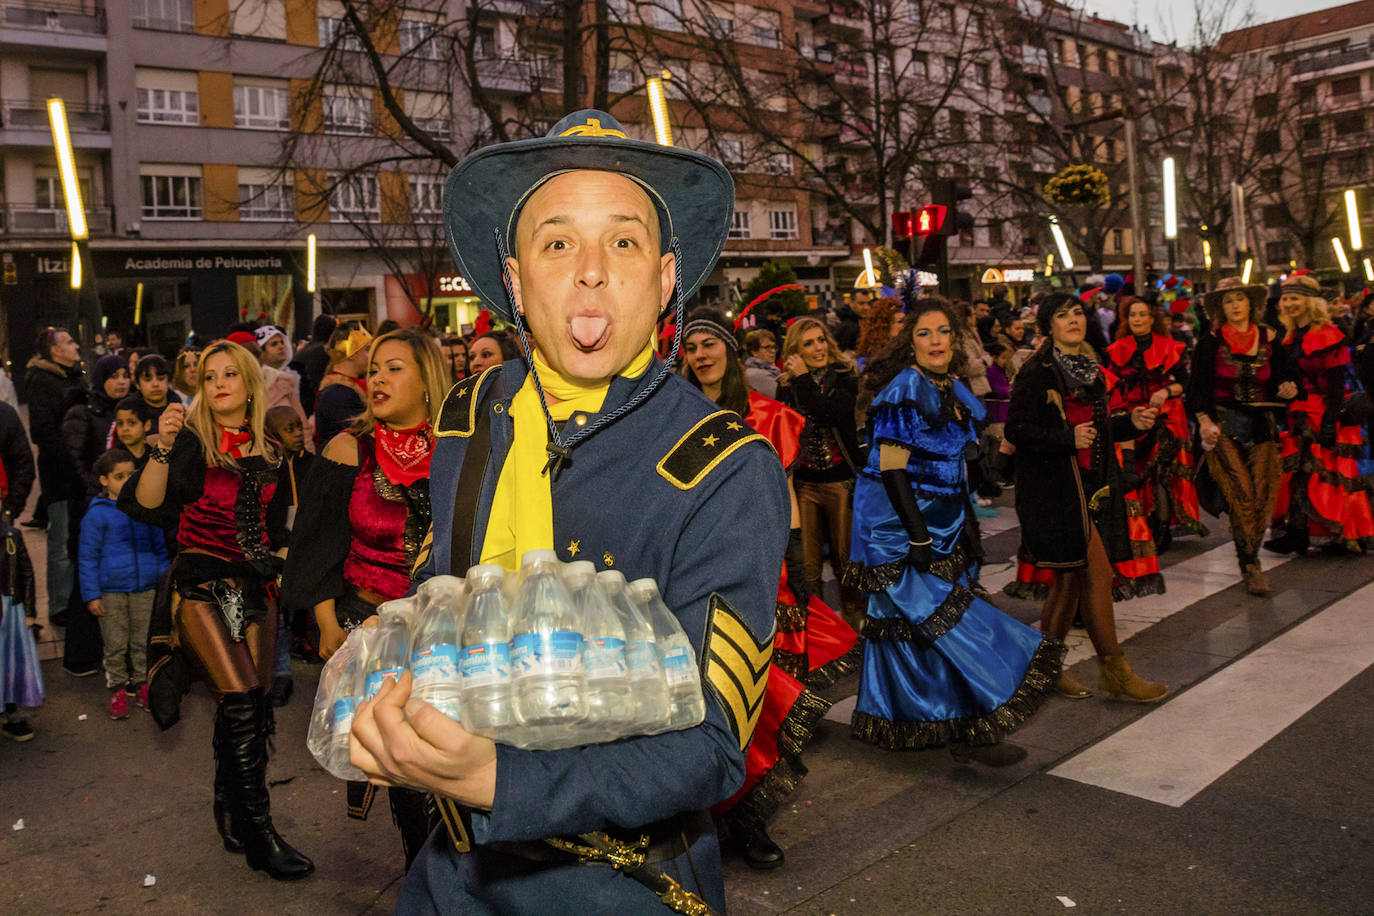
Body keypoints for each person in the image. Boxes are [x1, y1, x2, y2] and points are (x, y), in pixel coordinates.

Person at [349, 108, 788, 914]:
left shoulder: (727, 471)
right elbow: (438, 589)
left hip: (618, 885)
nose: (590, 271)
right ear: (515, 280)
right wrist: (389, 694)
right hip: (449, 877)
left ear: (663, 280)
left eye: (622, 241)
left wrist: (495, 777)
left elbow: (713, 750)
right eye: (558, 242)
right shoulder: (472, 415)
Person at [119, 339, 313, 880]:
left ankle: (230, 804)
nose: (219, 383)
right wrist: (160, 446)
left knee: (254, 701)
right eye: (209, 376)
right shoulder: (189, 441)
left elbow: (279, 525)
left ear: (250, 382)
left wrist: (282, 553)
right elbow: (147, 503)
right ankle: (261, 833)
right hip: (201, 583)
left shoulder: (271, 447)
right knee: (241, 697)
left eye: (230, 374)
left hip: (256, 589)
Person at [680, 308, 860, 869]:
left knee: (755, 690)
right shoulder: (673, 414)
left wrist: (795, 558)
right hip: (689, 569)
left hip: (755, 567)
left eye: (711, 343)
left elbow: (783, 489)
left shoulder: (767, 414)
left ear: (731, 352)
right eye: (692, 346)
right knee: (696, 696)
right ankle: (698, 815)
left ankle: (747, 815)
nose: (701, 354)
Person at [846, 296, 1056, 765]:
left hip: (946, 521)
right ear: (910, 342)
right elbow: (894, 470)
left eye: (943, 331)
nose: (935, 341)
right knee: (947, 623)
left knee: (930, 627)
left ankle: (956, 725)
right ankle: (971, 715)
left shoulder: (952, 387)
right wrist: (918, 536)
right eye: (924, 333)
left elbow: (960, 458)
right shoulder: (905, 388)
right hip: (899, 526)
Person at [282, 327, 447, 868]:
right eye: (373, 368)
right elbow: (315, 544)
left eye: (393, 368)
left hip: (446, 631)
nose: (376, 378)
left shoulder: (459, 445)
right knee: (405, 774)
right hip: (370, 627)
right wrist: (328, 622)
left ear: (428, 378)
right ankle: (422, 877)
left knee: (451, 769)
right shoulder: (349, 446)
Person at [1006, 293, 1168, 703]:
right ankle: (1115, 670)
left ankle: (1043, 670)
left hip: (1090, 488)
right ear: (1048, 326)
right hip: (1053, 492)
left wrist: (1129, 422)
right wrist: (1065, 438)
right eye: (1062, 315)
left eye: (1077, 312)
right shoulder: (1038, 372)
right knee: (1095, 574)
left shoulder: (1090, 369)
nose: (1073, 320)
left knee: (1068, 582)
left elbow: (1100, 428)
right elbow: (1016, 431)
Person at [1189, 277, 1287, 595]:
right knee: (1241, 494)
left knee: (1260, 497)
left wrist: (1290, 387)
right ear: (1220, 307)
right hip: (1223, 425)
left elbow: (1289, 377)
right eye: (1228, 300)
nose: (1235, 305)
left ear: (1250, 304)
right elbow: (1196, 390)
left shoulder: (1271, 338)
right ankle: (1249, 565)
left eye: (1240, 299)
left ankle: (1251, 557)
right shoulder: (1211, 342)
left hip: (1262, 426)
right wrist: (1203, 420)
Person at [1265, 273, 1374, 554]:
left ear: (1310, 302)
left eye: (1295, 298)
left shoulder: (1327, 334)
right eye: (1286, 298)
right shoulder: (1289, 336)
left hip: (1327, 414)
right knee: (1298, 476)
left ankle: (1339, 533)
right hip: (1300, 412)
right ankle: (1298, 532)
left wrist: (1329, 422)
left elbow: (1338, 384)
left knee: (1328, 478)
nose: (1288, 304)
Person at [777, 317, 862, 620]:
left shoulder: (845, 376)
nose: (818, 348)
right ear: (796, 351)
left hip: (841, 481)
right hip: (804, 484)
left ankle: (853, 624)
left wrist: (801, 380)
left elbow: (827, 415)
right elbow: (783, 433)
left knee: (846, 560)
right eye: (809, 343)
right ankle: (818, 630)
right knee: (808, 565)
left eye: (821, 339)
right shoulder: (785, 385)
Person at [1104, 297, 1204, 553]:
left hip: (1165, 414)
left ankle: (1161, 529)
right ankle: (1140, 525)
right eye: (1133, 315)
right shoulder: (1116, 348)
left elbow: (1185, 381)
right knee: (1134, 472)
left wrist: (1166, 391)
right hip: (1130, 415)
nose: (1137, 319)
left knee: (1160, 472)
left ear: (1152, 318)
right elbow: (1110, 383)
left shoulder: (1170, 346)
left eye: (1142, 314)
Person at [77, 449, 169, 719]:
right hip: (111, 590)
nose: (127, 479)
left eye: (131, 474)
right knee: (116, 643)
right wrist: (92, 594)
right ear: (104, 480)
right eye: (120, 476)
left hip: (146, 587)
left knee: (143, 641)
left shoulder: (146, 506)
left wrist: (163, 580)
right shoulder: (97, 515)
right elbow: (87, 556)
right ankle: (117, 688)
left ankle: (143, 686)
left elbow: (160, 548)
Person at [60, 353, 132, 677]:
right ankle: (79, 655)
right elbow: (73, 463)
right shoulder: (84, 413)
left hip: (118, 507)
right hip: (90, 509)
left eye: (125, 375)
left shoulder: (126, 411)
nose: (121, 381)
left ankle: (107, 650)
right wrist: (98, 491)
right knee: (85, 579)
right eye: (114, 376)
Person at [21, 327, 85, 618]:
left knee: (77, 541)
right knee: (60, 541)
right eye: (69, 342)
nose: (76, 346)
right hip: (60, 477)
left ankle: (76, 600)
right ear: (55, 350)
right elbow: (42, 432)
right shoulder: (42, 380)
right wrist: (73, 456)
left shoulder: (73, 376)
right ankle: (59, 606)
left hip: (79, 476)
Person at [265, 405, 313, 706]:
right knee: (278, 615)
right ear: (272, 435)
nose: (298, 433)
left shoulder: (313, 466)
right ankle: (281, 673)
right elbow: (267, 515)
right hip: (279, 550)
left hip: (307, 547)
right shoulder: (270, 469)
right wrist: (280, 543)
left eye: (299, 426)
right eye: (289, 429)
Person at [0, 399, 38, 741]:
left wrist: (9, 512)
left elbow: (23, 464)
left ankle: (10, 705)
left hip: (1, 533)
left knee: (6, 629)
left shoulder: (3, 414)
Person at [314, 327, 372, 449]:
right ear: (351, 353)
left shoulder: (343, 389)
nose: (371, 355)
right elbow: (365, 432)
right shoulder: (338, 393)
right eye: (367, 349)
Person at [254, 325, 309, 426]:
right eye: (274, 344)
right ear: (261, 352)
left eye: (282, 342)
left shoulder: (295, 375)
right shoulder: (257, 381)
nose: (281, 347)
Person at [296, 314, 338, 415]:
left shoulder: (304, 350)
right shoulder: (322, 351)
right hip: (313, 405)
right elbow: (319, 381)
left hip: (302, 402)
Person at [133, 354, 182, 428]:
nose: (155, 384)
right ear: (137, 385)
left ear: (168, 381)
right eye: (148, 380)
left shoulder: (182, 412)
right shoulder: (127, 414)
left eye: (161, 378)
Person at [112, 396, 154, 466]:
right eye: (120, 423)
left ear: (147, 425)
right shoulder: (110, 460)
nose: (125, 428)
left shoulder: (154, 456)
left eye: (131, 423)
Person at [742, 328, 780, 398]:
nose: (773, 351)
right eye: (767, 347)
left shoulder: (769, 370)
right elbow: (781, 399)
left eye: (774, 347)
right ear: (754, 351)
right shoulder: (757, 374)